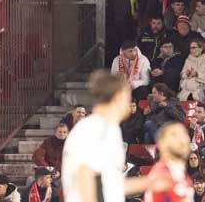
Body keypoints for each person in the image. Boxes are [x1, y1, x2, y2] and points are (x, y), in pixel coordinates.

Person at [62, 71, 164, 202]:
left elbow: (109, 185)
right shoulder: (96, 128)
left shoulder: (108, 128)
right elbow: (85, 178)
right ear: (119, 97)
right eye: (128, 97)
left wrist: (151, 182)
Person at [144, 122, 193, 202]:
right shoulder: (165, 175)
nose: (182, 140)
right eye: (174, 135)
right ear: (161, 144)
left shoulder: (175, 170)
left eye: (184, 133)